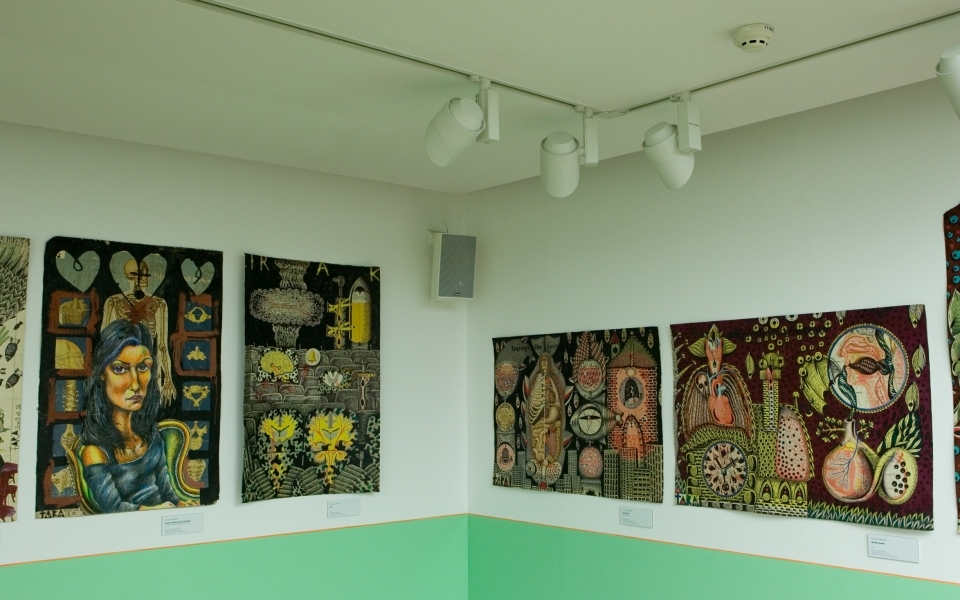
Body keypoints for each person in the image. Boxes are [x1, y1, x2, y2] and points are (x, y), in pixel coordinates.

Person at [79, 319, 193, 512]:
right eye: (119, 369)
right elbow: (113, 509)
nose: (135, 383)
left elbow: (169, 494)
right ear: (101, 374)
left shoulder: (152, 437)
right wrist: (156, 510)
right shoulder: (95, 452)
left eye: (142, 367)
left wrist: (184, 505)